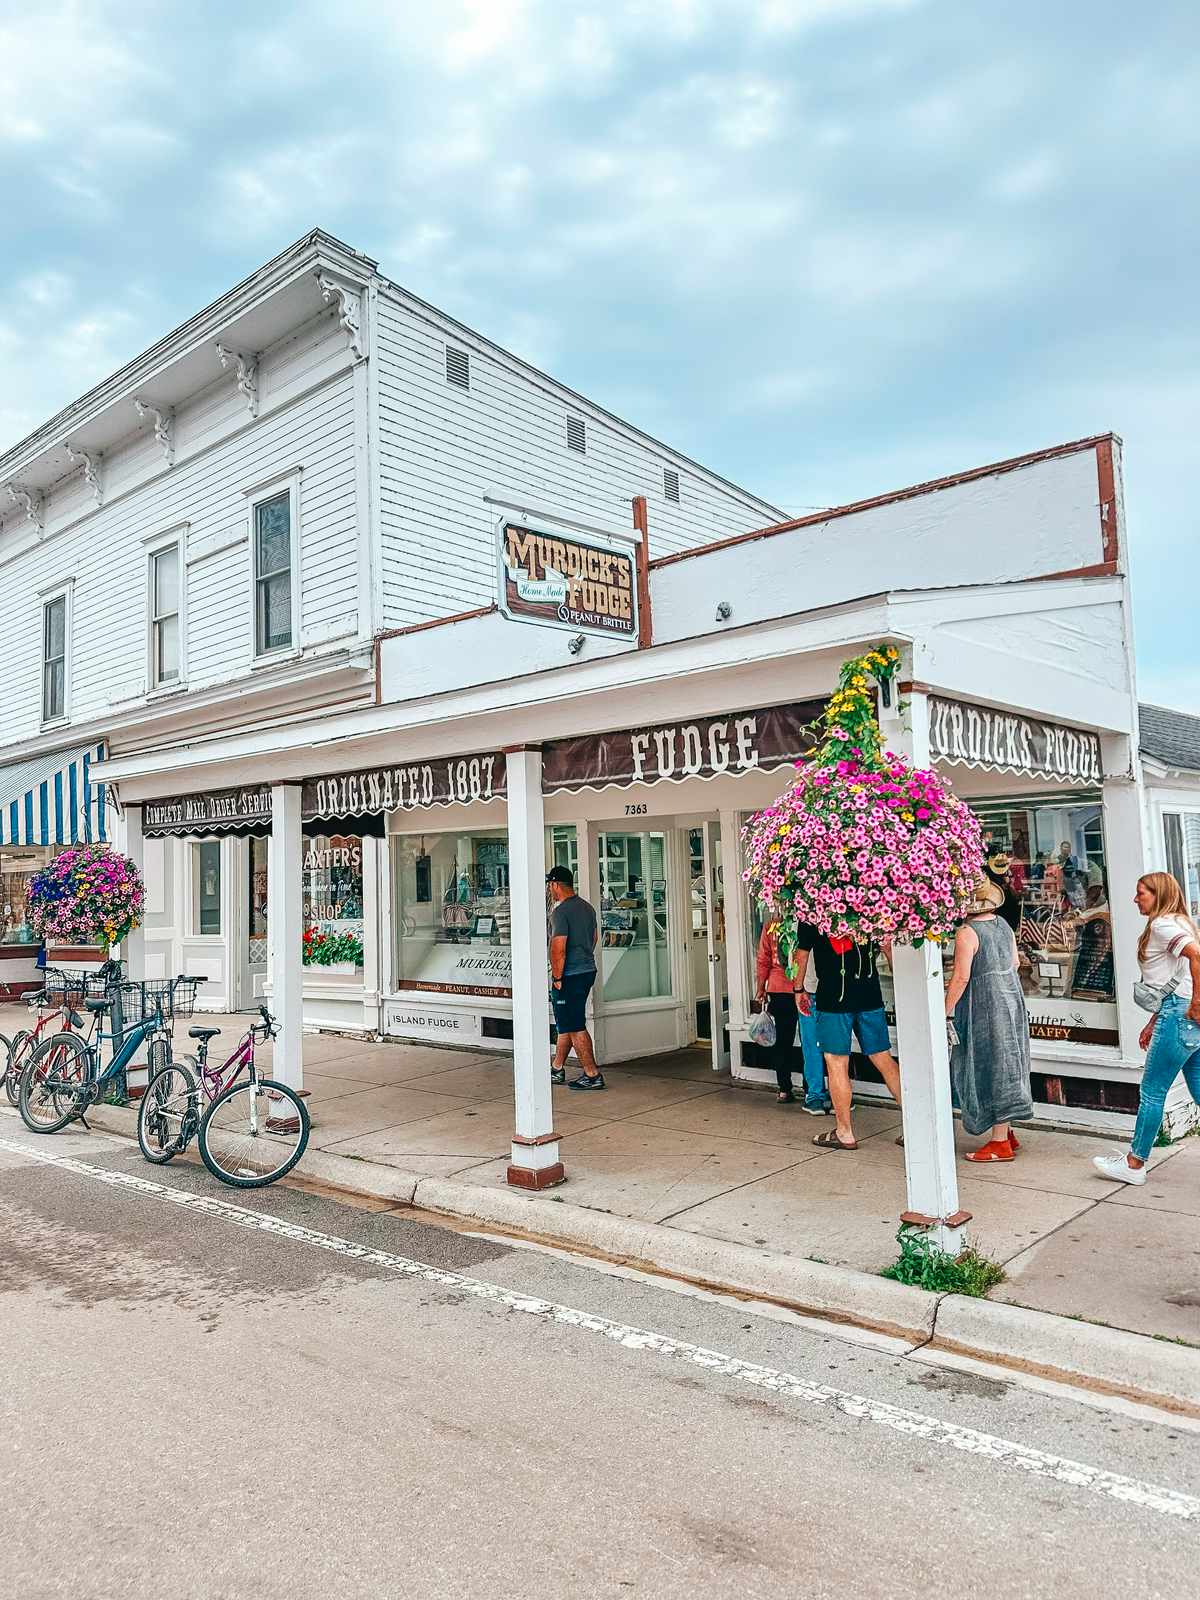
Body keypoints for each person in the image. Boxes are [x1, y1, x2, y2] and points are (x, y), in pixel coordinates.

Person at [1093, 872, 1200, 1185]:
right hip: (1181, 1015)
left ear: (1158, 895)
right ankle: (1134, 1161)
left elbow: (1196, 958)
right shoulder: (1180, 921)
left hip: (1180, 1015)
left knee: (1152, 1092)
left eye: (1142, 893)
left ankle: (1134, 1163)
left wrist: (1197, 1003)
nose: (1135, 898)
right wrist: (1154, 1022)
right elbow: (1175, 977)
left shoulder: (1162, 925)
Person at [943, 879, 1033, 1162]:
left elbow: (961, 977)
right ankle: (1004, 1129)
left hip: (984, 1004)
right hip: (1010, 999)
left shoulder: (967, 933)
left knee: (988, 1065)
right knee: (1007, 1062)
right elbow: (1016, 964)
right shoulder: (1003, 925)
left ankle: (999, 1142)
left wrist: (945, 1010)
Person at [793, 923, 901, 1151]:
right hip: (870, 995)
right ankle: (914, 1127)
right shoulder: (870, 907)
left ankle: (844, 1132)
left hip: (833, 999)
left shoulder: (813, 909)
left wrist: (798, 989)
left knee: (836, 1063)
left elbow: (801, 956)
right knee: (884, 1059)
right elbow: (887, 949)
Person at [754, 921, 831, 1111]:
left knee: (783, 1040)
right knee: (810, 1040)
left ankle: (784, 1088)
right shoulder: (810, 921)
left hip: (779, 987)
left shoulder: (772, 925)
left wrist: (761, 987)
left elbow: (763, 959)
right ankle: (811, 1089)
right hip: (806, 986)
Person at [546, 865, 603, 1090]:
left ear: (555, 885)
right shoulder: (587, 908)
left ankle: (592, 1074)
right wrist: (583, 955)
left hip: (569, 975)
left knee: (575, 1024)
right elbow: (595, 937)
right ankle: (557, 1068)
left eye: (550, 885)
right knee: (567, 1023)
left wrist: (558, 978)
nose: (550, 890)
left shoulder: (560, 912)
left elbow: (558, 947)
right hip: (587, 970)